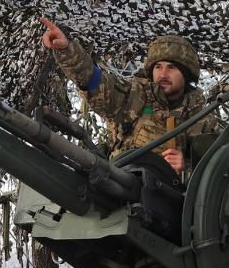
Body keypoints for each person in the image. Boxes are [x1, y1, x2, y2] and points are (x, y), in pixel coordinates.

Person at [39, 17, 219, 172]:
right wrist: (66, 49)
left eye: (171, 67)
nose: (163, 74)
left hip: (168, 197)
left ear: (186, 74)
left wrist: (186, 167)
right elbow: (94, 82)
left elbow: (217, 174)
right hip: (119, 183)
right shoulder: (133, 97)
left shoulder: (202, 119)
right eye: (158, 67)